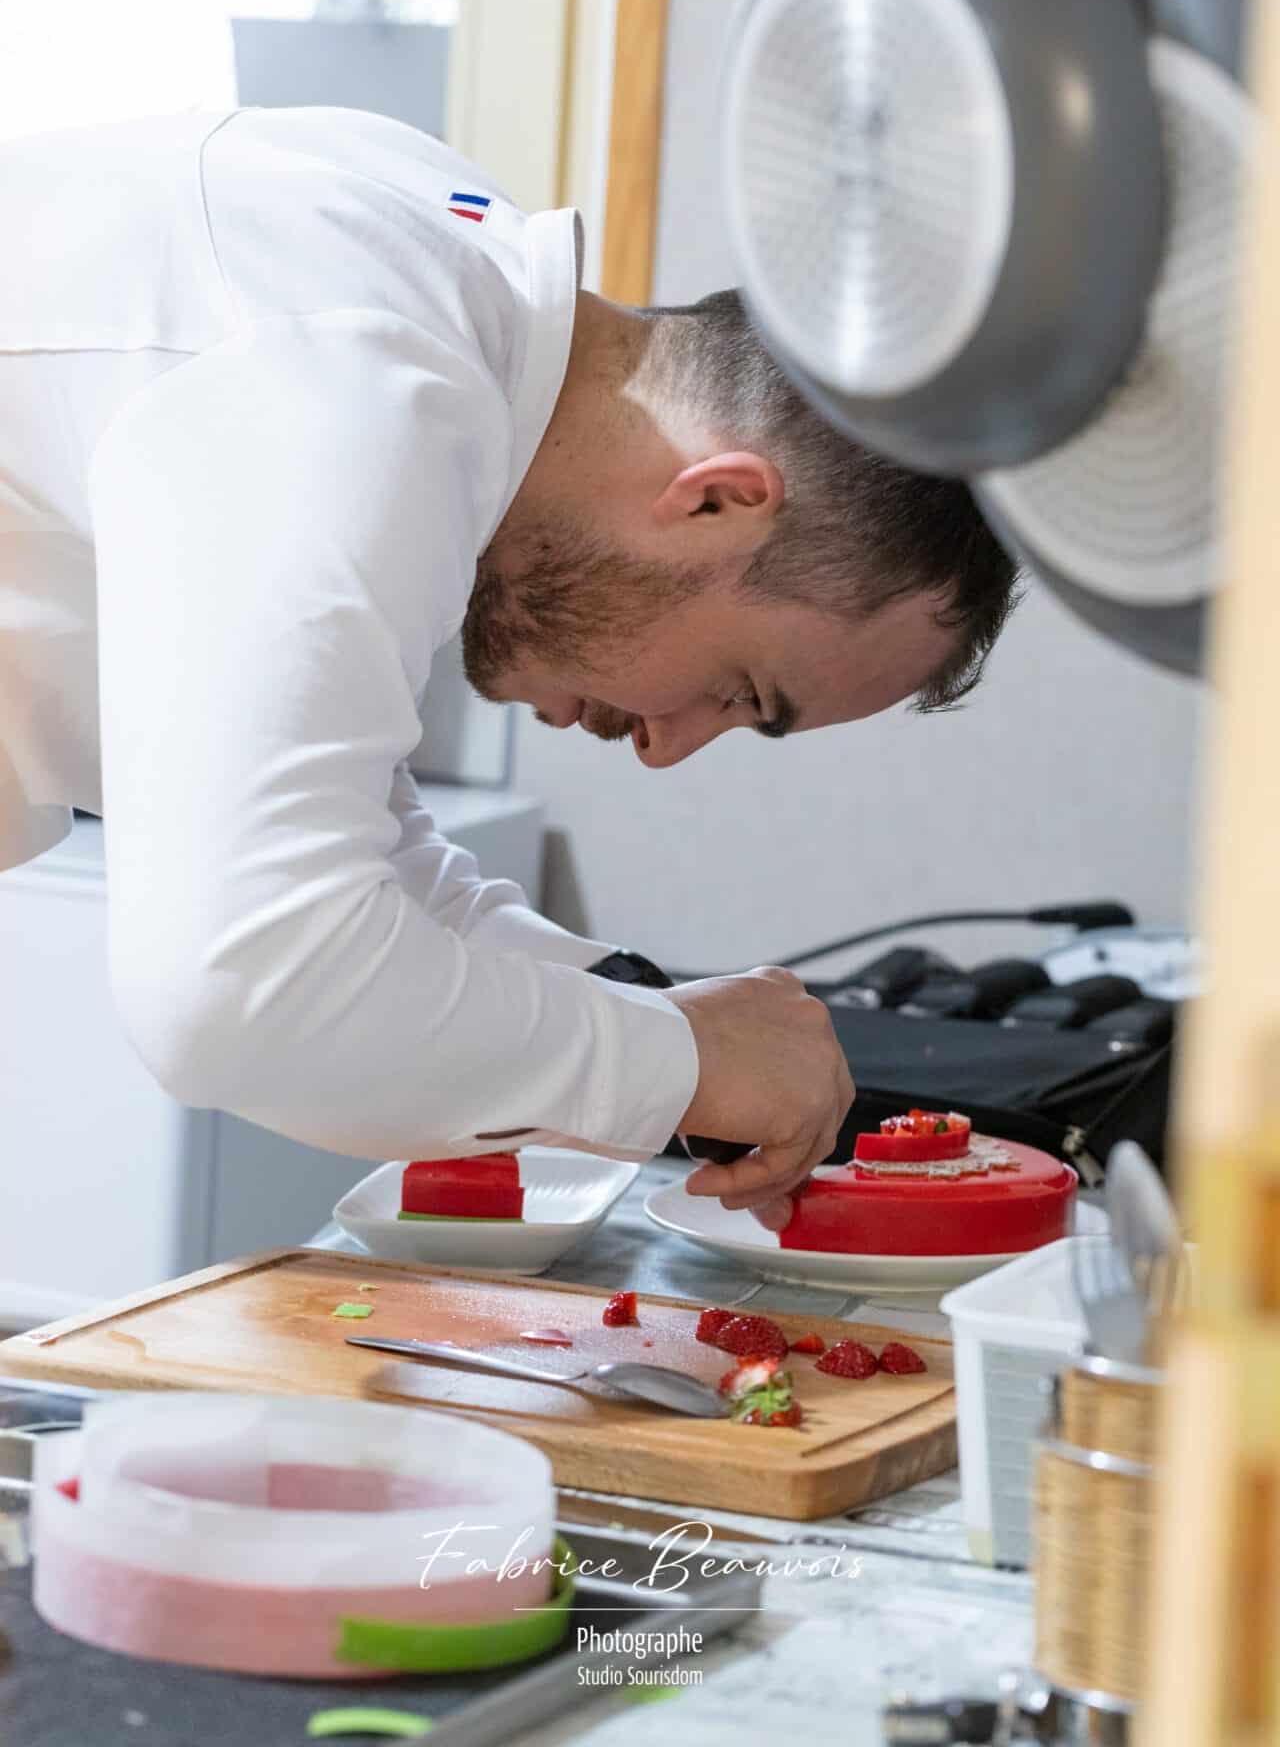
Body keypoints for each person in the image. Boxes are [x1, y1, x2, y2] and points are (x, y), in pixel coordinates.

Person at [0, 106, 1019, 1230]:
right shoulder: (355, 392)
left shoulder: (434, 301)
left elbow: (363, 857)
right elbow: (244, 990)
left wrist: (648, 1006)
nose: (667, 743)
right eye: (740, 690)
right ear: (716, 499)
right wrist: (677, 1060)